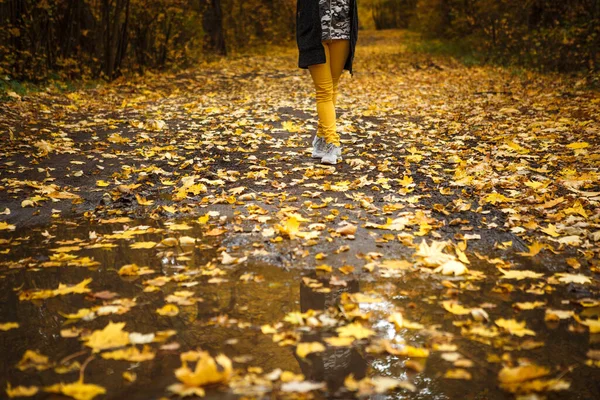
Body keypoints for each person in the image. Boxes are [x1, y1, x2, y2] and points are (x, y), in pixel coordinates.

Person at [296, 0, 359, 165]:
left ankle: (321, 139)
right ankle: (333, 143)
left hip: (343, 34)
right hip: (315, 36)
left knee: (332, 86)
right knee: (324, 90)